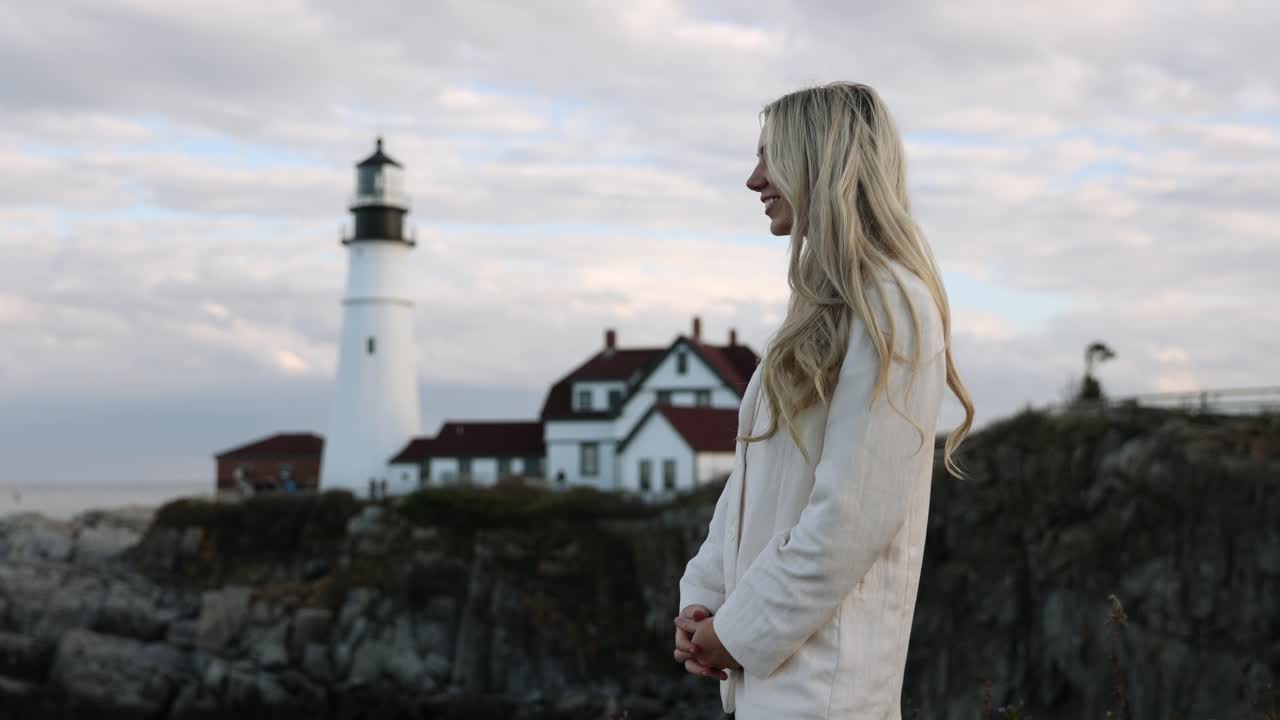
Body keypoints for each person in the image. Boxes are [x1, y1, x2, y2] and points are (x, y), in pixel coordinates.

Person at [671, 82, 976, 719]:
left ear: (821, 160)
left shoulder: (892, 306)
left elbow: (852, 517)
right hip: (773, 691)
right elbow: (750, 483)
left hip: (829, 696)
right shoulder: (820, 311)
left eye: (771, 155)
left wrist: (736, 632)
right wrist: (704, 602)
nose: (754, 179)